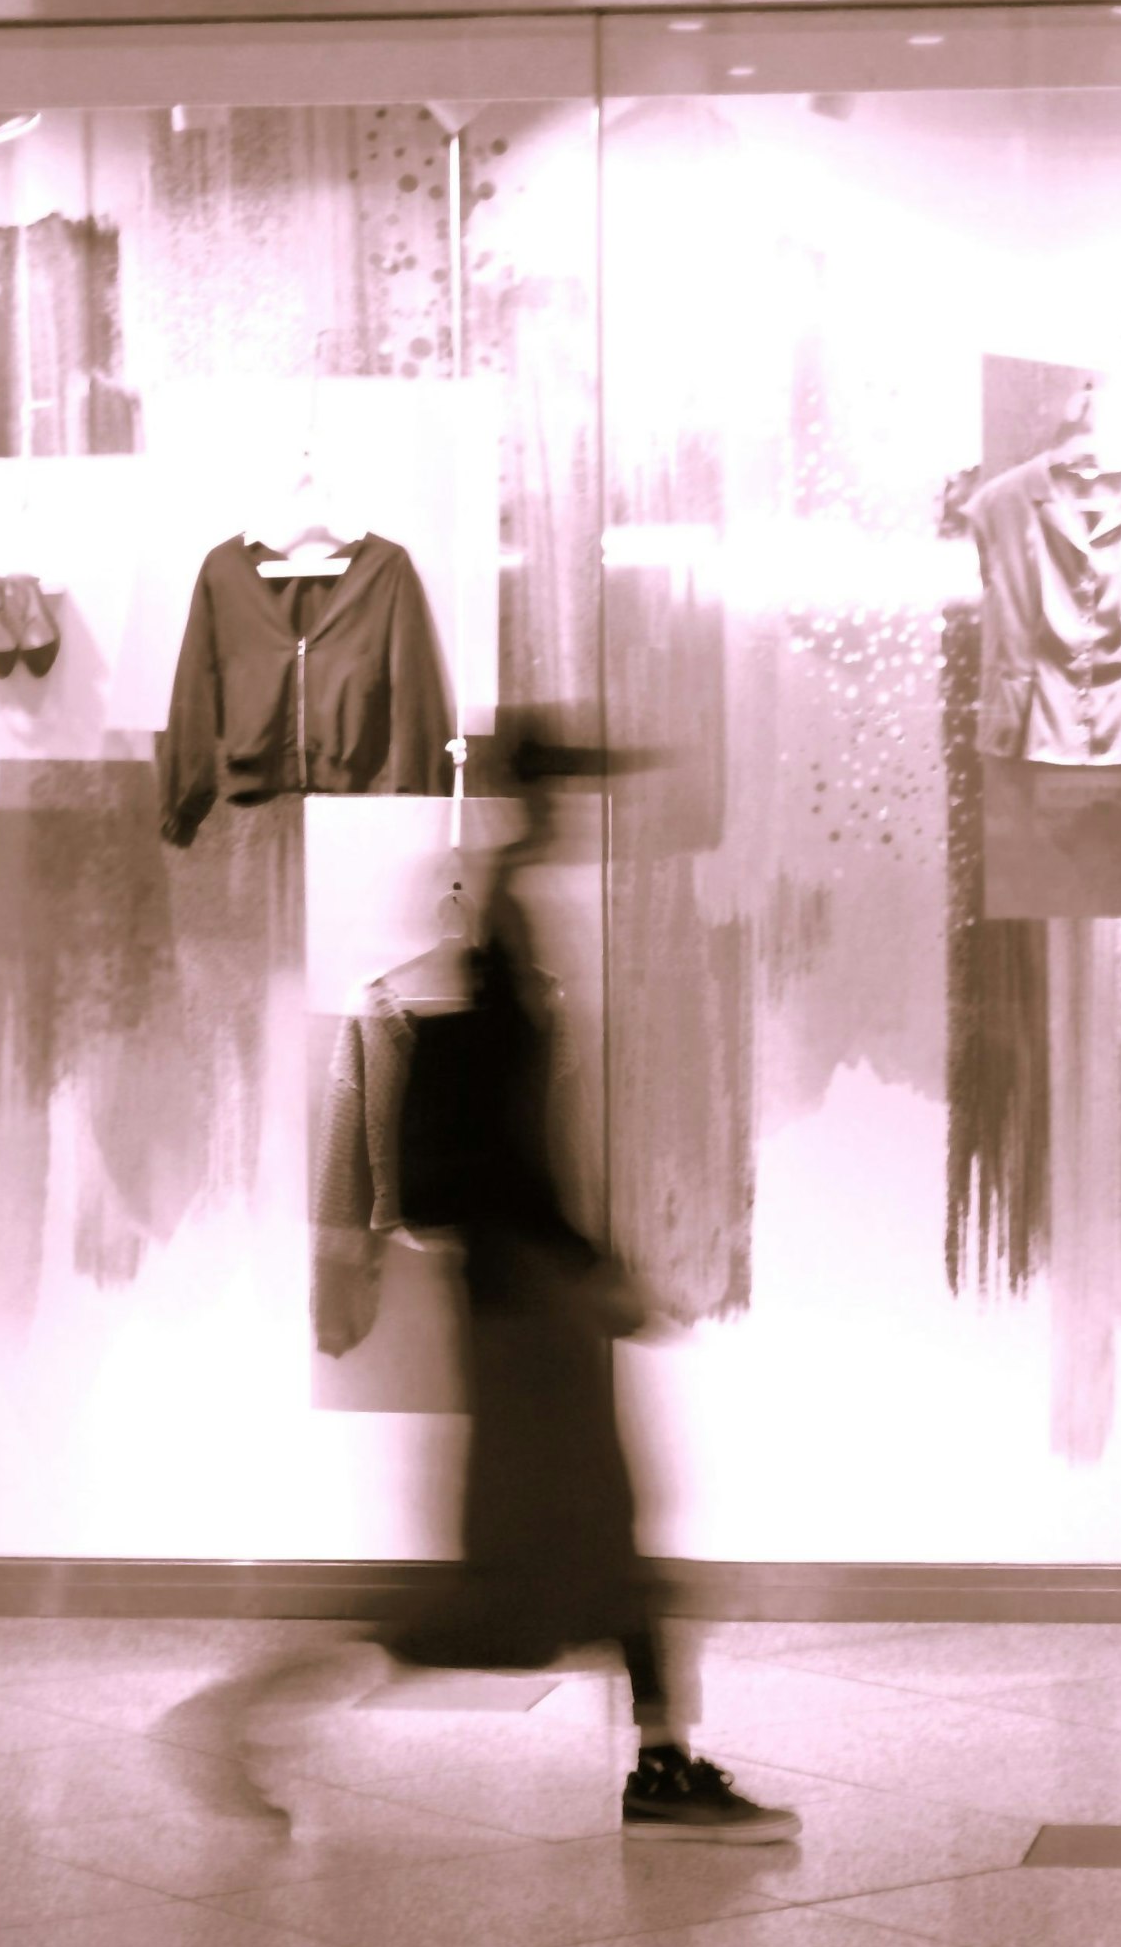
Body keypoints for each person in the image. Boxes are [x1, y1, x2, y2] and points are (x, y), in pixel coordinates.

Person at [172, 730, 794, 1844]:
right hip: (527, 1312)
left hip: (528, 1302)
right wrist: (591, 1271)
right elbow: (509, 1156)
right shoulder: (493, 950)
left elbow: (507, 1150)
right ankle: (245, 1710)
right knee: (503, 1602)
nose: (569, 819)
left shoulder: (503, 939)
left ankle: (661, 1763)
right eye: (552, 797)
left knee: (609, 1553)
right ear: (520, 806)